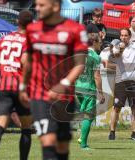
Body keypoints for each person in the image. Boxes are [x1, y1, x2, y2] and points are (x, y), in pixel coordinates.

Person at [19, 0, 88, 159]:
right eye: (36, 4)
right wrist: (23, 86)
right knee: (48, 142)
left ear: (55, 6)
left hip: (65, 97)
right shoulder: (32, 30)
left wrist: (63, 84)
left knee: (62, 146)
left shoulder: (75, 29)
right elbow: (28, 61)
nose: (37, 8)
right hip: (39, 95)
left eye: (41, 5)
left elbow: (80, 64)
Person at [0, 10, 33, 160]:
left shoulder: (4, 39)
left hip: (4, 86)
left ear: (17, 22)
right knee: (26, 128)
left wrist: (3, 67)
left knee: (0, 126)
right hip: (19, 88)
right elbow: (26, 63)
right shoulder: (28, 41)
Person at [75, 33, 105, 150]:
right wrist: (101, 93)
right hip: (89, 88)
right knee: (89, 116)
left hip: (78, 87)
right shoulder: (95, 56)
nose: (101, 44)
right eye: (99, 42)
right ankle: (83, 144)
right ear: (94, 42)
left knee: (85, 114)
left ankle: (81, 135)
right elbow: (97, 76)